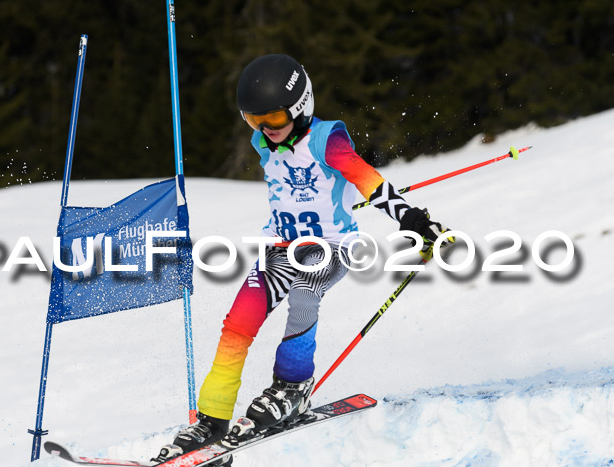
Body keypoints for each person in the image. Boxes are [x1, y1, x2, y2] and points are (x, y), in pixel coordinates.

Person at [155, 54, 450, 465]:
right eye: (254, 120)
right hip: (281, 248)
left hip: (330, 248)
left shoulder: (326, 139)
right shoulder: (265, 141)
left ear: (301, 106)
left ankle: (291, 387)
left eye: (274, 118)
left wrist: (411, 218)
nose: (265, 131)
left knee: (305, 291)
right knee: (238, 322)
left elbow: (367, 179)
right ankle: (212, 420)